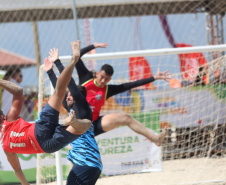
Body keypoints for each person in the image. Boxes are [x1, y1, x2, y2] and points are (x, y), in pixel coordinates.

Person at [0, 41, 92, 185]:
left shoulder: (5, 146)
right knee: (59, 92)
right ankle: (73, 59)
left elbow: (17, 170)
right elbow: (18, 92)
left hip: (46, 146)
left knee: (85, 125)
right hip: (40, 129)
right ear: (2, 116)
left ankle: (72, 122)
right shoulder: (9, 120)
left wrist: (26, 184)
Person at [47, 43, 171, 146]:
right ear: (97, 73)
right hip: (77, 123)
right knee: (80, 158)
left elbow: (132, 84)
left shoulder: (108, 89)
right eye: (102, 77)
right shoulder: (86, 77)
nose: (103, 81)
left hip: (94, 124)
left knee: (125, 118)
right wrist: (94, 45)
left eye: (106, 79)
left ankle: (154, 138)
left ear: (109, 80)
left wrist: (154, 78)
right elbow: (75, 56)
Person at [45, 48, 102, 185]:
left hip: (87, 161)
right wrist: (50, 71)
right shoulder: (72, 108)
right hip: (88, 162)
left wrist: (58, 62)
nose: (68, 97)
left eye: (70, 95)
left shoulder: (84, 108)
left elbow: (69, 82)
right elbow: (59, 89)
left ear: (78, 97)